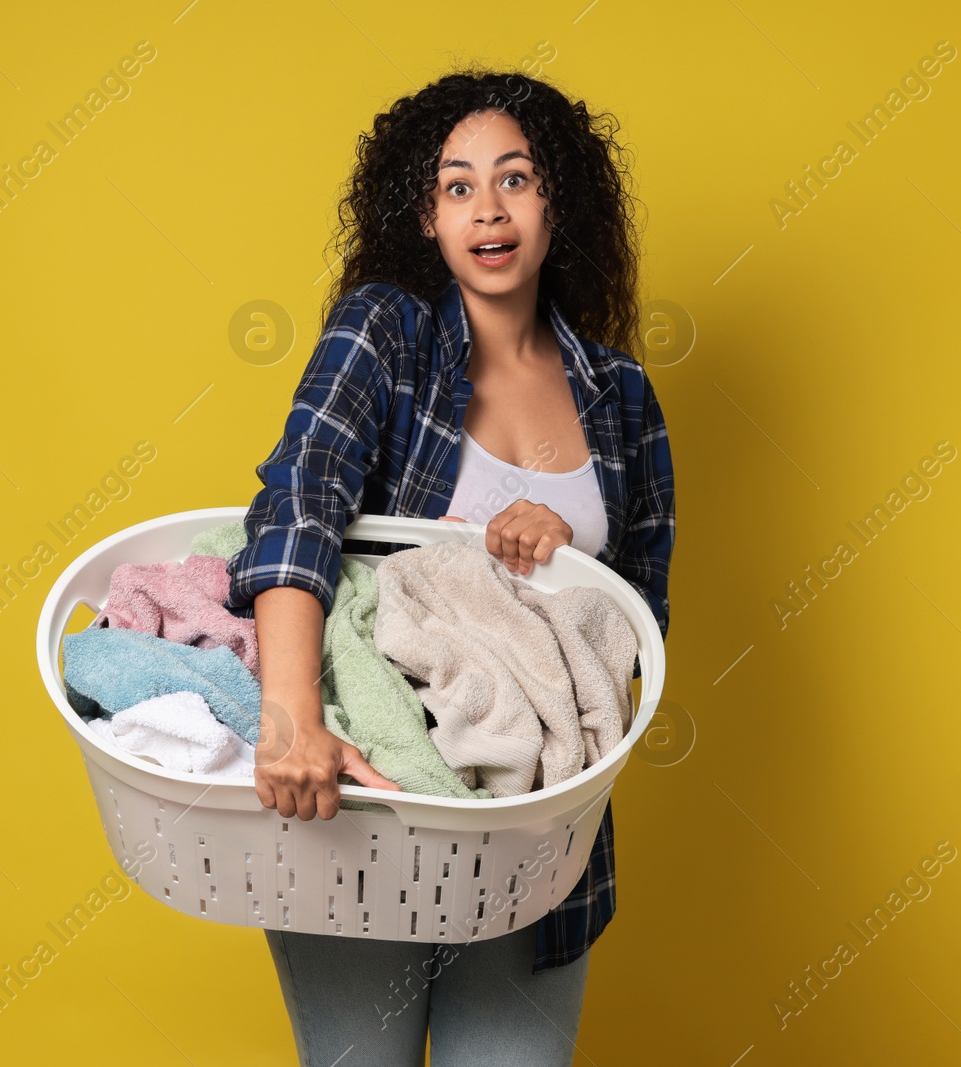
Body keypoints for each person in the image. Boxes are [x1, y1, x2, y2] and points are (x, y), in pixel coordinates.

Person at [219, 66, 676, 1067]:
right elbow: (299, 505)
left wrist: (547, 572)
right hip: (368, 800)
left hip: (535, 830)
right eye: (456, 185)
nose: (488, 209)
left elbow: (637, 629)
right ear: (423, 217)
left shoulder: (624, 397)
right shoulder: (384, 332)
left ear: (559, 201)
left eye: (514, 178)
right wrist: (292, 718)